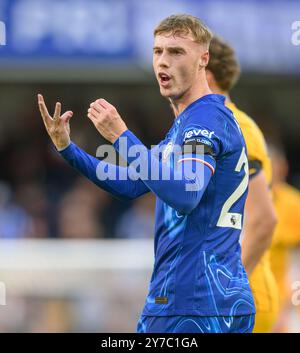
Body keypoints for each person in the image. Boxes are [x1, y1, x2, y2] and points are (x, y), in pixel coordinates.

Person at [38, 14, 255, 333]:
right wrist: (68, 149)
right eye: (158, 52)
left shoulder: (204, 121)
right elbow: (132, 183)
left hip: (192, 302)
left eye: (176, 52)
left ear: (203, 59)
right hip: (211, 298)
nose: (163, 62)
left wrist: (121, 136)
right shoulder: (186, 126)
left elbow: (186, 193)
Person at [206, 36, 278, 333]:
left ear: (204, 71)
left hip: (240, 301)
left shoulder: (236, 127)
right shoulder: (206, 126)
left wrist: (227, 291)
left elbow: (263, 220)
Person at [268, 144, 300, 332]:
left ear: (284, 167)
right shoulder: (242, 201)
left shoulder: (294, 204)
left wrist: (289, 306)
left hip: (284, 303)